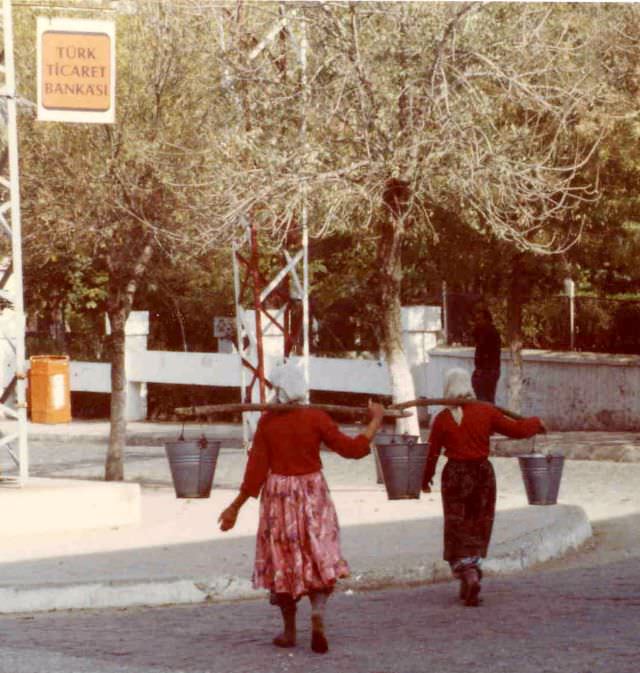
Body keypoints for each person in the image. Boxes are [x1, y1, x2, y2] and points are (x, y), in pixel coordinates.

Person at [218, 360, 385, 653]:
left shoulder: (268, 423)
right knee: (318, 554)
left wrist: (234, 507)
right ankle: (318, 612)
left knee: (283, 560)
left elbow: (254, 474)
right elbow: (352, 449)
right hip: (312, 494)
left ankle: (289, 631)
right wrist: (375, 422)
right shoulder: (316, 417)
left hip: (279, 497)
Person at [422, 368, 546, 607]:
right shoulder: (486, 411)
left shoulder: (442, 418)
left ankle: (466, 573)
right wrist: (535, 423)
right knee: (478, 523)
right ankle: (473, 571)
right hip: (482, 475)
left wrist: (424, 480)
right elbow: (516, 430)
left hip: (456, 476)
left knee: (457, 525)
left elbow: (431, 454)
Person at [471, 305, 501, 403]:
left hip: (488, 372)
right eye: (476, 319)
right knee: (482, 400)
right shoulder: (481, 332)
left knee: (486, 401)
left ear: (487, 319)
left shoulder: (491, 333)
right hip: (483, 372)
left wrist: (482, 370)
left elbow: (491, 355)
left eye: (480, 319)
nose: (477, 322)